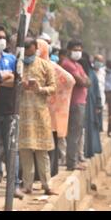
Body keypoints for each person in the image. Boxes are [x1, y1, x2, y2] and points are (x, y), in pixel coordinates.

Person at [0, 25, 24, 199]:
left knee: (11, 149)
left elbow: (15, 80)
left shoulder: (11, 58)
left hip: (10, 110)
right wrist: (4, 78)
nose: (1, 40)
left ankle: (14, 185)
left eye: (3, 37)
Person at [19, 38, 57, 195]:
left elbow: (53, 87)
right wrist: (20, 85)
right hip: (22, 114)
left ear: (36, 49)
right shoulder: (18, 65)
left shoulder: (45, 65)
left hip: (40, 113)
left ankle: (46, 185)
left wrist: (40, 89)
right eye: (25, 50)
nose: (27, 53)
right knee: (25, 151)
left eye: (30, 50)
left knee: (42, 151)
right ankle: (27, 185)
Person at [37, 39, 74, 175]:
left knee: (48, 143)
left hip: (49, 111)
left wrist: (56, 96)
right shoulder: (33, 65)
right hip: (37, 111)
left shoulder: (50, 66)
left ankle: (48, 172)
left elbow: (70, 80)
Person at [61, 39, 90, 171]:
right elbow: (82, 82)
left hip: (81, 102)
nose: (78, 52)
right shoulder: (68, 64)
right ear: (69, 50)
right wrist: (83, 80)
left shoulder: (78, 65)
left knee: (77, 133)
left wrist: (84, 80)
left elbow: (87, 81)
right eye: (75, 50)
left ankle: (75, 160)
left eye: (80, 50)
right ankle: (72, 163)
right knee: (74, 133)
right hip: (75, 102)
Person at [79, 52, 102, 159]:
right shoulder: (77, 72)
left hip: (90, 106)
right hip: (79, 104)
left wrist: (98, 105)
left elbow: (97, 91)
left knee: (89, 128)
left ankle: (88, 150)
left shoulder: (92, 74)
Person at [93, 54, 106, 132]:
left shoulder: (102, 71)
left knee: (99, 115)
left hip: (101, 96)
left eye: (101, 61)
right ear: (94, 61)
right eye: (98, 61)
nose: (99, 63)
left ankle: (99, 129)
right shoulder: (91, 71)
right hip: (93, 97)